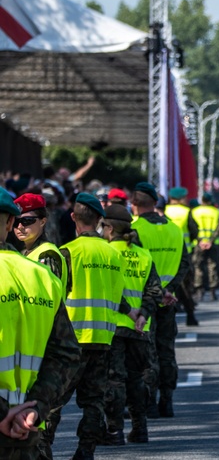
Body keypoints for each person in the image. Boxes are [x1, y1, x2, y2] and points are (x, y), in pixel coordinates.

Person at [44, 193, 133, 460]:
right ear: (98, 220)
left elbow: (54, 298)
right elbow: (119, 297)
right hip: (103, 338)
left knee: (53, 401)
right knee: (94, 402)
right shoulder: (113, 253)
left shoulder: (67, 253)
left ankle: (42, 448)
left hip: (70, 342)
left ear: (73, 218)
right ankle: (86, 451)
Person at [0, 192, 81, 460]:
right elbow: (66, 354)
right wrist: (33, 408)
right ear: (11, 221)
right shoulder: (39, 276)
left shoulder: (46, 259)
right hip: (26, 431)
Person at [101, 203, 161, 445]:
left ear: (109, 228)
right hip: (140, 328)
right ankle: (140, 428)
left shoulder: (106, 253)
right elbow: (155, 290)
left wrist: (128, 312)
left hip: (114, 326)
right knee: (135, 379)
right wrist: (143, 314)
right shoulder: (143, 254)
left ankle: (114, 431)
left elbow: (108, 289)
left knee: (114, 379)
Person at [130, 182, 190, 419]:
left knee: (148, 351)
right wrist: (169, 290)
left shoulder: (135, 230)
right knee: (167, 350)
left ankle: (150, 402)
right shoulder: (175, 230)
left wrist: (155, 294)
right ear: (155, 203)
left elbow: (133, 266)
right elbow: (184, 263)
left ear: (133, 205)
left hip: (145, 302)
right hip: (168, 301)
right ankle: (168, 400)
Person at [13, 193, 68, 296]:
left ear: (42, 222)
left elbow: (49, 298)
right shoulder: (24, 253)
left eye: (27, 221)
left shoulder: (47, 255)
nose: (20, 226)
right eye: (15, 221)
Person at [162, 187, 199, 327]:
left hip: (166, 254)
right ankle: (190, 315)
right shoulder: (186, 211)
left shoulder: (163, 211)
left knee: (166, 285)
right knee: (185, 287)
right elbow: (194, 230)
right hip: (184, 254)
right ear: (180, 198)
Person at [190, 193, 219, 301]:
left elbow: (193, 227)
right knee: (212, 266)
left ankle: (199, 290)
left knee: (198, 266)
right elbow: (218, 228)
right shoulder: (216, 212)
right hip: (212, 244)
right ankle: (212, 292)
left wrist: (200, 241)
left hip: (198, 244)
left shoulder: (194, 212)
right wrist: (210, 241)